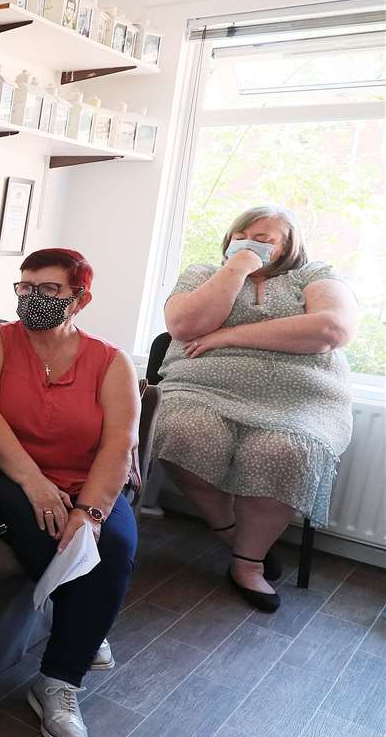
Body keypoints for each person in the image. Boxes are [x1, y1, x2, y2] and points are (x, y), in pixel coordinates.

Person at [0, 249, 140, 737]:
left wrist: (92, 511)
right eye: (25, 286)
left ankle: (58, 683)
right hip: (3, 471)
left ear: (80, 299)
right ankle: (84, 630)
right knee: (45, 528)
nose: (33, 297)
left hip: (85, 477)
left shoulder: (110, 360)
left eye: (50, 289)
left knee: (116, 545)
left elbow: (118, 441)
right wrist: (35, 484)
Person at [153, 206, 358, 611]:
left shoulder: (314, 276)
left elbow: (331, 329)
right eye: (243, 233)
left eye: (265, 238)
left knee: (285, 450)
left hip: (300, 400)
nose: (251, 240)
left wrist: (229, 335)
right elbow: (184, 325)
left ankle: (247, 565)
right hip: (200, 388)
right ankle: (232, 533)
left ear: (289, 248)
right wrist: (239, 267)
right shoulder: (202, 273)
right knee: (180, 430)